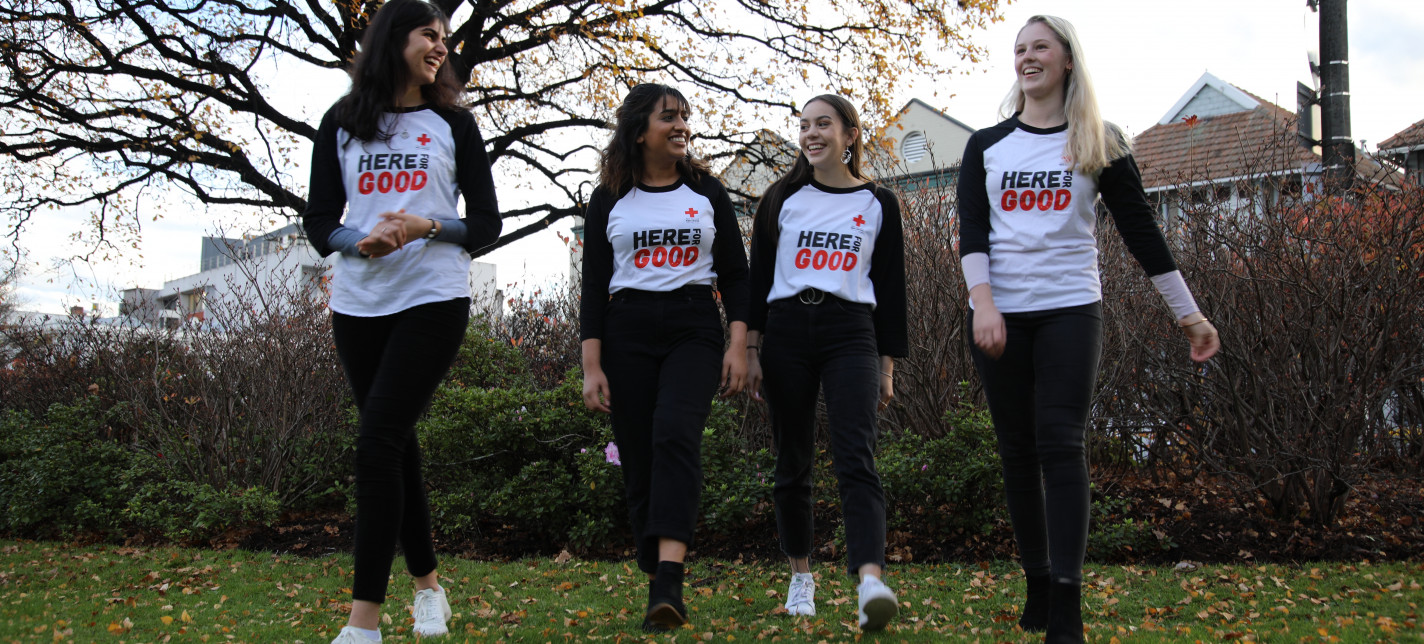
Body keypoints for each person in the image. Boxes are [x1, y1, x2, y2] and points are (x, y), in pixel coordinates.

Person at [957, 15, 1220, 644]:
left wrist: (1189, 313)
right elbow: (972, 235)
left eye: (1039, 47)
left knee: (1060, 443)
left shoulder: (1098, 141)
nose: (1027, 57)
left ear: (1067, 60)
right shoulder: (986, 146)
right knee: (1018, 452)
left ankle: (1068, 601)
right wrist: (983, 305)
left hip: (1072, 309)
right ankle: (1038, 581)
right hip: (1002, 314)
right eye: (1019, 48)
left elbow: (1142, 234)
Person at [301, 0, 502, 641]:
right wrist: (355, 241)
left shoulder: (452, 125)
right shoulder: (341, 121)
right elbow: (319, 218)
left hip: (432, 295)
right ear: (394, 38)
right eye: (428, 34)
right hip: (358, 301)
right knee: (394, 442)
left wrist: (426, 225)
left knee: (376, 442)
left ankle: (363, 624)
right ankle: (429, 589)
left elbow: (488, 224)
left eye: (445, 37)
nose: (441, 46)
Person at [578, 83, 750, 632]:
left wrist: (739, 344)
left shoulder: (706, 190)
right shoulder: (610, 195)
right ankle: (656, 565)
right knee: (639, 459)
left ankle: (669, 581)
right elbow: (593, 284)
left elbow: (737, 274)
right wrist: (591, 364)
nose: (680, 125)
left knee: (676, 433)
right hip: (625, 328)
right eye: (668, 117)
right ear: (638, 130)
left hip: (693, 326)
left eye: (684, 117)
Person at [744, 94, 908, 631]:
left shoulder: (878, 203)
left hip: (850, 332)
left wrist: (886, 366)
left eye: (824, 125)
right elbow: (756, 283)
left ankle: (869, 584)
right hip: (788, 330)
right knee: (792, 461)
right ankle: (801, 575)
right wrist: (749, 350)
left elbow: (890, 290)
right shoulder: (780, 199)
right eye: (804, 126)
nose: (812, 135)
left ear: (851, 135)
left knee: (856, 458)